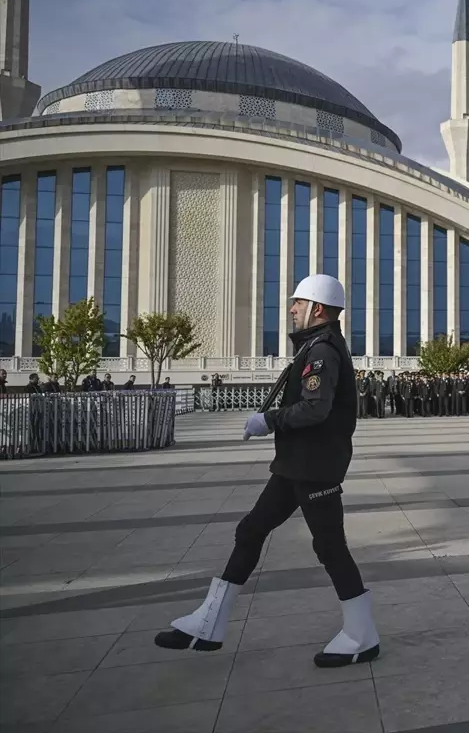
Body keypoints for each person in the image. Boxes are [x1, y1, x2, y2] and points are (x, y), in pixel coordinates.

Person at [154, 274, 379, 668]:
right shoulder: (314, 347)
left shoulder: (322, 351)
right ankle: (209, 622)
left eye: (298, 303)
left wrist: (269, 420)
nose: (291, 309)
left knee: (329, 547)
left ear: (317, 309)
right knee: (251, 530)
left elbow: (315, 408)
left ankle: (362, 635)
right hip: (297, 465)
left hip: (314, 468)